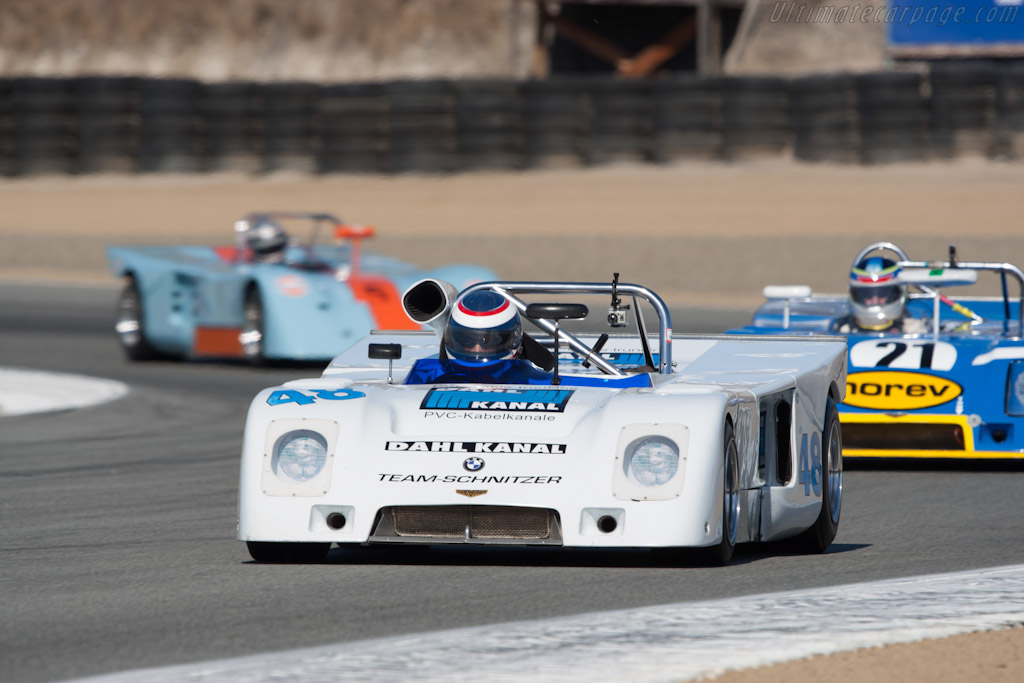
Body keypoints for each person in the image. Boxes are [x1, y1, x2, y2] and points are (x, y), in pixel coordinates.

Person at [405, 290, 551, 385]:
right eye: (467, 341)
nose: (477, 348)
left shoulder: (536, 381)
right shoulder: (425, 377)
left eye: (489, 341)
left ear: (514, 339)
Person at [844, 255, 927, 333]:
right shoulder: (842, 331)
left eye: (882, 294)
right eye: (867, 294)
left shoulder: (915, 330)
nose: (875, 301)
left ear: (898, 293)